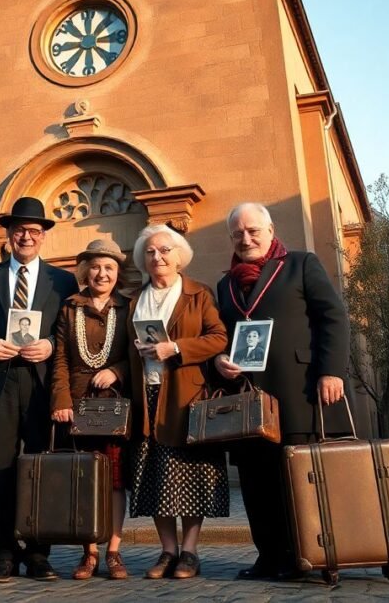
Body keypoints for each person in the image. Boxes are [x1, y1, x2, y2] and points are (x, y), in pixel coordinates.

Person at [215, 202, 350, 581]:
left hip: (300, 392)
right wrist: (219, 361)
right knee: (258, 485)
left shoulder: (301, 264)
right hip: (249, 399)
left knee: (301, 480)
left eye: (253, 231)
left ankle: (312, 554)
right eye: (238, 233)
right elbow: (221, 337)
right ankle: (270, 557)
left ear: (271, 231)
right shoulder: (225, 284)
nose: (246, 238)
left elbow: (333, 317)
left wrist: (331, 371)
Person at [0, 197, 79, 583]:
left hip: (42, 383)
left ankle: (39, 553)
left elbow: (70, 333)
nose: (26, 236)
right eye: (19, 230)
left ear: (43, 236)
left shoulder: (62, 281)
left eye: (34, 230)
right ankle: (3, 552)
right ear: (9, 236)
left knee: (42, 468)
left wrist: (49, 345)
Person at [127, 224, 228, 580]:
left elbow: (218, 338)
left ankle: (190, 551)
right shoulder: (134, 299)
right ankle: (167, 551)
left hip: (186, 394)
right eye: (151, 252)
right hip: (147, 395)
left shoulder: (198, 294)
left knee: (189, 474)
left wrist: (178, 348)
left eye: (165, 250)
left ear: (179, 256)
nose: (158, 257)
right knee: (154, 475)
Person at [50, 239, 131, 580]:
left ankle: (113, 550)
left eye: (109, 267)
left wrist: (117, 370)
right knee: (85, 480)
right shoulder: (70, 307)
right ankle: (89, 552)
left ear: (118, 273)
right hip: (78, 405)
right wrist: (61, 400)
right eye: (96, 267)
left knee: (114, 482)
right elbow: (60, 358)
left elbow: (138, 353)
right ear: (86, 271)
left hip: (114, 405)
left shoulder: (127, 308)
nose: (102, 273)